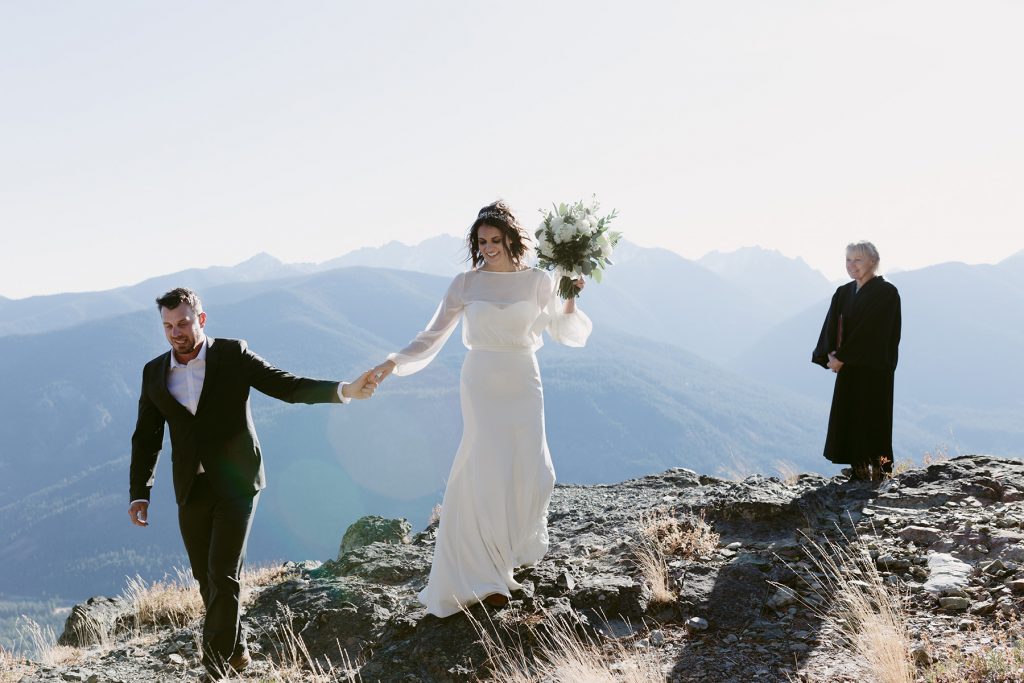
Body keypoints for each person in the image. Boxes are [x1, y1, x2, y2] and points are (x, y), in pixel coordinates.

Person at [128, 287, 377, 681]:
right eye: (168, 326)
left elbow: (287, 386)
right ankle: (238, 650)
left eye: (183, 323)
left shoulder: (233, 354)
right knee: (205, 579)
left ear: (201, 319)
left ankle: (215, 668)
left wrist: (344, 390)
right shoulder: (153, 372)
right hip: (191, 488)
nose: (176, 333)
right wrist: (140, 493)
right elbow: (146, 437)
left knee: (223, 573)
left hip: (238, 482)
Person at [371, 200, 591, 617]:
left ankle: (506, 553)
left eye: (494, 240)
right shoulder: (465, 284)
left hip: (524, 378)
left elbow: (563, 332)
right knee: (485, 467)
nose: (488, 247)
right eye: (481, 241)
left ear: (511, 239)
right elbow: (432, 334)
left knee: (534, 470)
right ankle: (486, 577)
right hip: (481, 380)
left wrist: (569, 298)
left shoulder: (539, 280)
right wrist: (392, 363)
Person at [812, 242, 902, 482]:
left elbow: (871, 332)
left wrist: (842, 358)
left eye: (858, 260)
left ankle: (880, 472)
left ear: (873, 261)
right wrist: (829, 356)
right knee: (850, 416)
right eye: (848, 260)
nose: (852, 265)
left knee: (873, 417)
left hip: (874, 368)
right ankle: (858, 470)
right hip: (848, 367)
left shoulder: (886, 293)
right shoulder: (843, 292)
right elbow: (831, 326)